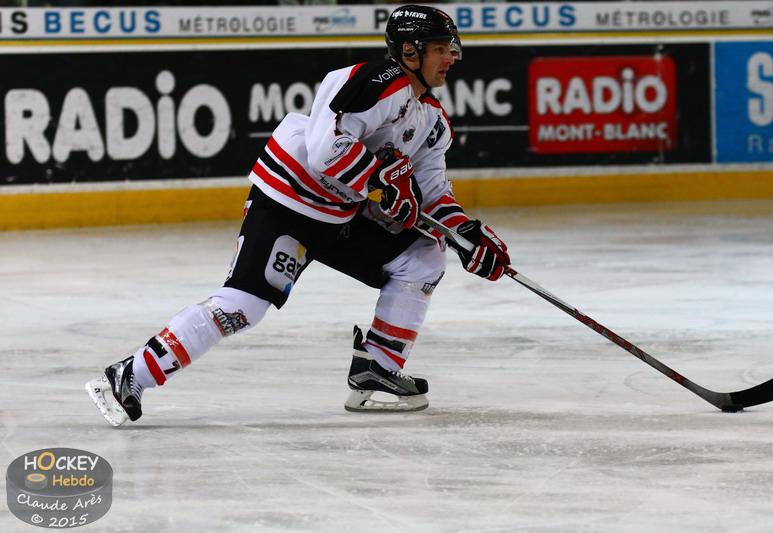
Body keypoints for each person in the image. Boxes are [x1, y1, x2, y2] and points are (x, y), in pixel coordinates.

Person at [86, 4, 511, 425]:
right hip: (289, 202)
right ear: (409, 51)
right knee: (243, 306)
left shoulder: (432, 121)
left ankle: (377, 369)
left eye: (452, 48)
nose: (452, 57)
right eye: (441, 48)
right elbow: (326, 150)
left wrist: (467, 234)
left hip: (341, 215)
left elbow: (433, 192)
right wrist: (381, 177)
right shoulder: (373, 80)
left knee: (423, 256)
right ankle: (130, 374)